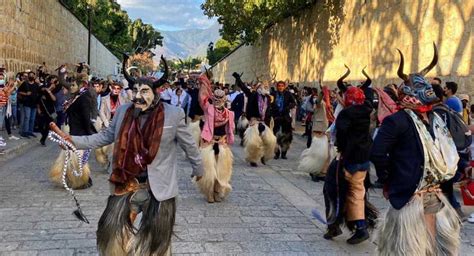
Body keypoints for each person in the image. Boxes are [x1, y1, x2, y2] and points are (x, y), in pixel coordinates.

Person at [55, 66, 203, 255]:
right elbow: (105, 137)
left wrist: (199, 169)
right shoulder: (124, 111)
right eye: (135, 91)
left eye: (144, 91)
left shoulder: (173, 114)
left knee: (156, 243)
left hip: (158, 188)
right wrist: (72, 141)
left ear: (155, 92)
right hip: (125, 182)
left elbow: (189, 145)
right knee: (112, 234)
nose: (137, 96)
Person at [371, 45, 461, 255]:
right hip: (422, 193)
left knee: (420, 247)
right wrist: (390, 180)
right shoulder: (417, 120)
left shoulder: (418, 120)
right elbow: (377, 152)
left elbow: (377, 153)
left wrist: (388, 179)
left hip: (422, 194)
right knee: (420, 246)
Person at [50, 68, 96, 189]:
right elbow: (64, 83)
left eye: (74, 85)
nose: (71, 87)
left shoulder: (84, 97)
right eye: (71, 84)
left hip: (80, 133)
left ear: (81, 85)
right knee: (70, 157)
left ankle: (80, 180)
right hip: (74, 131)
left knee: (77, 158)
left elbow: (86, 117)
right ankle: (74, 178)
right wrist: (61, 73)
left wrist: (89, 134)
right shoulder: (76, 97)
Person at [195, 71, 235, 203]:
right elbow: (202, 96)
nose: (217, 100)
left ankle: (218, 191)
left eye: (220, 98)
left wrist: (228, 140)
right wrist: (204, 81)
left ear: (224, 99)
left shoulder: (229, 114)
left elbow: (230, 129)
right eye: (215, 98)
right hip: (209, 142)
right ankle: (209, 192)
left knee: (221, 171)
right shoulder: (209, 109)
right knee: (209, 172)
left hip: (222, 143)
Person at [232, 72, 276, 167]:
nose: (265, 87)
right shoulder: (253, 95)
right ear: (258, 87)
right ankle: (253, 159)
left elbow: (270, 110)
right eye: (263, 86)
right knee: (253, 143)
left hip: (263, 123)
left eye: (267, 86)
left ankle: (264, 156)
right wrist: (238, 79)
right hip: (254, 122)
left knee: (271, 141)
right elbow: (244, 88)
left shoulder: (268, 99)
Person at [271, 81, 296, 160]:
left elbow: (293, 103)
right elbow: (269, 103)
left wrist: (288, 107)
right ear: (277, 87)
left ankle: (284, 153)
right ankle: (276, 153)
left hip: (285, 118)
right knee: (275, 136)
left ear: (284, 86)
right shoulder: (273, 94)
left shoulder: (288, 94)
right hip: (276, 117)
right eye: (279, 86)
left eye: (282, 86)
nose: (280, 87)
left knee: (286, 136)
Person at [38, 75, 58, 146]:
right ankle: (43, 135)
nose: (54, 84)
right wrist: (38, 109)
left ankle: (43, 140)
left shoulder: (54, 91)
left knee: (48, 125)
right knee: (40, 124)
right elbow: (41, 91)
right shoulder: (44, 86)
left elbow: (54, 99)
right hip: (43, 110)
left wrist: (49, 91)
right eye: (54, 80)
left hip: (51, 111)